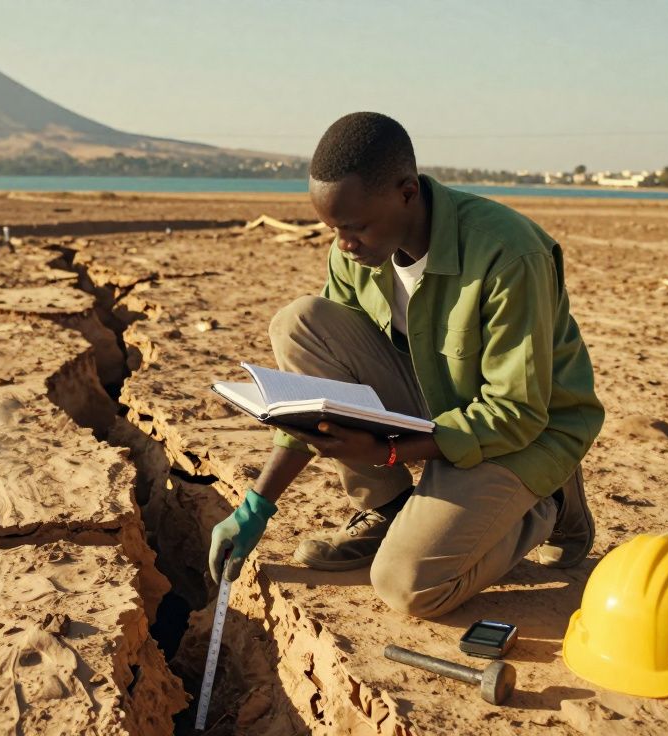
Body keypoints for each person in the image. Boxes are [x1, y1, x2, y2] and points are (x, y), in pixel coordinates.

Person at [208, 112, 605, 619]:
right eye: (333, 229)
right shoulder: (353, 251)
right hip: (435, 405)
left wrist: (389, 453)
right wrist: (254, 507)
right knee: (299, 322)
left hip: (526, 431)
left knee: (407, 587)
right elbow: (316, 396)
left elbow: (517, 412)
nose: (344, 244)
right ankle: (388, 508)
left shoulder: (508, 253)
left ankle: (545, 503)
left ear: (407, 193)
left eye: (356, 227)